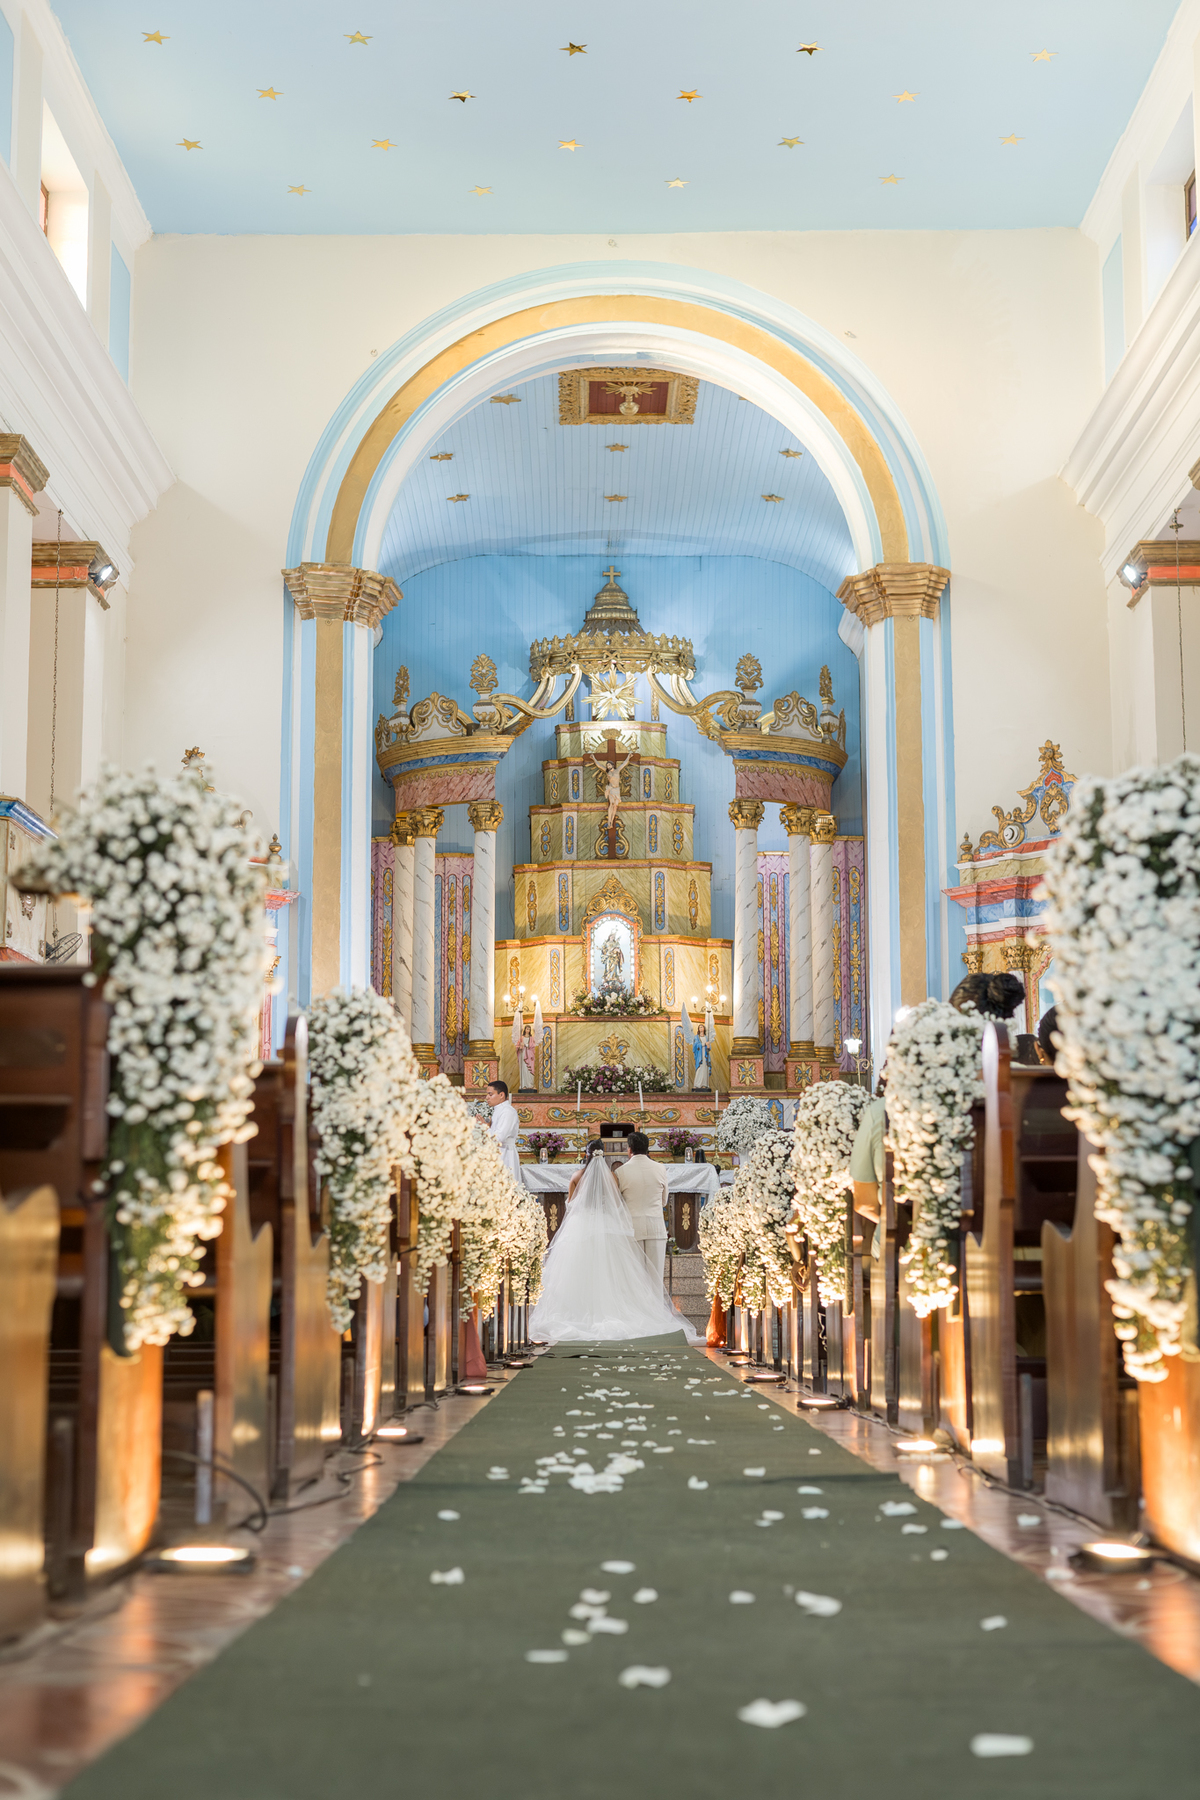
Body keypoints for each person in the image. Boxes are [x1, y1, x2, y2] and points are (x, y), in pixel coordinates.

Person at [529, 1139, 698, 1344]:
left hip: (581, 1226)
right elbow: (617, 1203)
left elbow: (571, 1205)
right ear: (603, 1155)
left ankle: (578, 1312)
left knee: (578, 1271)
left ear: (586, 1154)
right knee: (609, 1271)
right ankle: (622, 1309)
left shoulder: (576, 1176)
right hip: (606, 1226)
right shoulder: (611, 1177)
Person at [614, 1131, 669, 1284]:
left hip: (631, 1228)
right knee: (655, 1280)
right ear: (647, 1149)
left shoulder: (620, 1171)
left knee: (635, 1281)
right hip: (655, 1227)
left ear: (629, 1149)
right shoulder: (660, 1168)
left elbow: (618, 1203)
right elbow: (664, 1201)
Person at [486, 1080, 521, 1182]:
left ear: (501, 1095)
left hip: (506, 1155)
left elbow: (499, 1138)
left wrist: (486, 1128)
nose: (487, 1097)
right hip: (498, 1153)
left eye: (490, 1094)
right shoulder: (498, 1110)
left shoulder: (508, 1111)